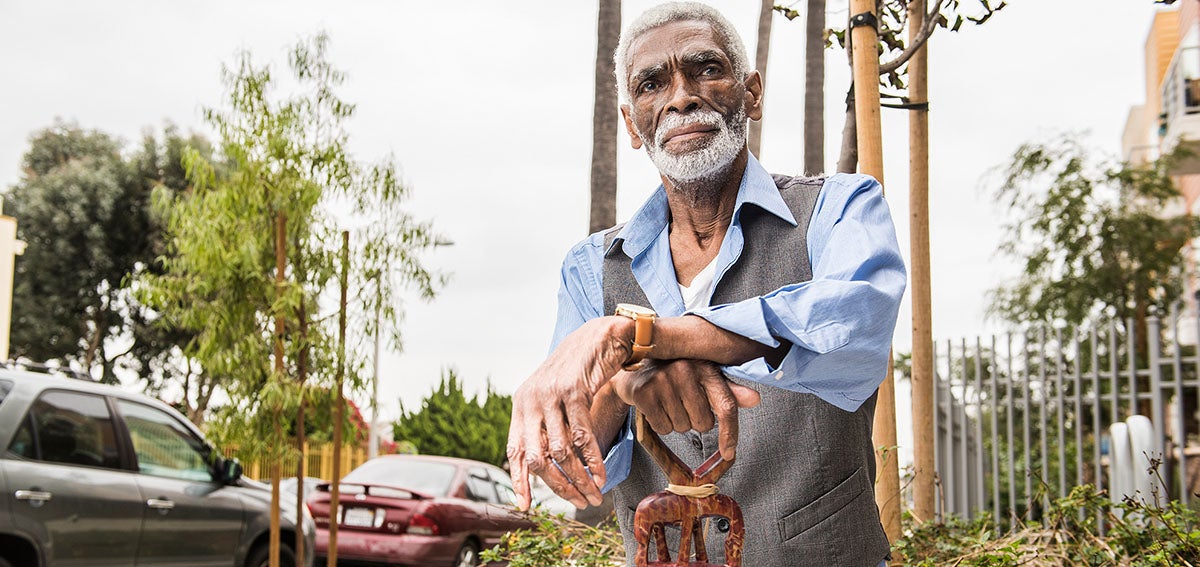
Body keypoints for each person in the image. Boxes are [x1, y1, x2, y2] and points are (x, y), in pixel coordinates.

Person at [506, 3, 906, 565]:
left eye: (706, 70)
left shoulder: (840, 208)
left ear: (753, 94)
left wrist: (642, 337)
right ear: (631, 123)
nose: (681, 97)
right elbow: (574, 457)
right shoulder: (590, 265)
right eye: (652, 84)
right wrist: (624, 384)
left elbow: (852, 324)